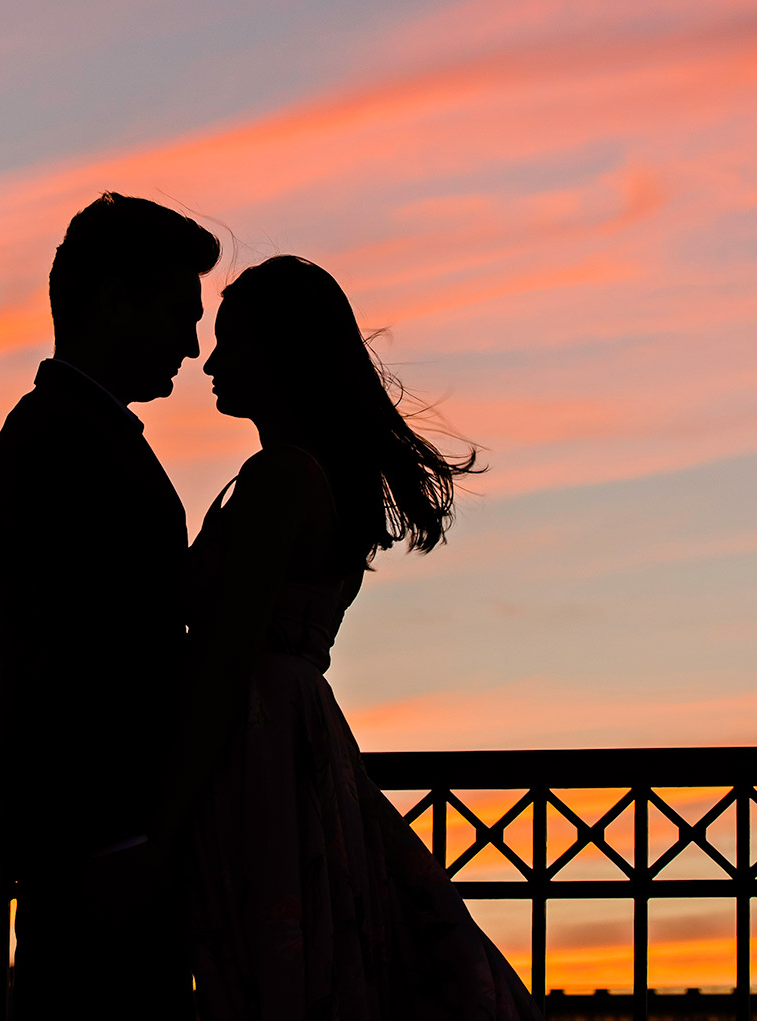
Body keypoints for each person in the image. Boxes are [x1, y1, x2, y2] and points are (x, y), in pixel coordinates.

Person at [181, 255, 542, 1021]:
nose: (210, 361)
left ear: (279, 352)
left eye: (231, 342)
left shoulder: (283, 476)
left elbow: (224, 656)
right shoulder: (316, 477)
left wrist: (169, 812)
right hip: (294, 738)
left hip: (259, 743)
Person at [0, 192, 219, 1018]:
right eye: (179, 314)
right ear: (114, 299)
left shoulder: (65, 434)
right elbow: (86, 660)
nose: (192, 345)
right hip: (100, 842)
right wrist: (127, 837)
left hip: (92, 839)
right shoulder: (68, 445)